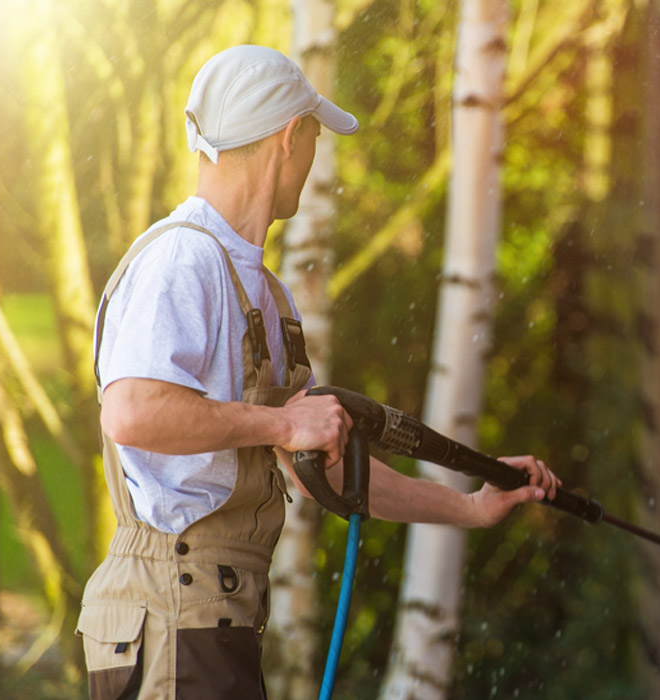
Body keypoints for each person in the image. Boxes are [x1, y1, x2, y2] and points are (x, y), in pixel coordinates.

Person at [77, 44, 560, 700]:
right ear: (289, 138)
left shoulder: (266, 298)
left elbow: (322, 465)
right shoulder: (181, 262)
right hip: (171, 611)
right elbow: (132, 412)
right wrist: (281, 419)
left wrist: (471, 508)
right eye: (314, 139)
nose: (312, 159)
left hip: (214, 620)